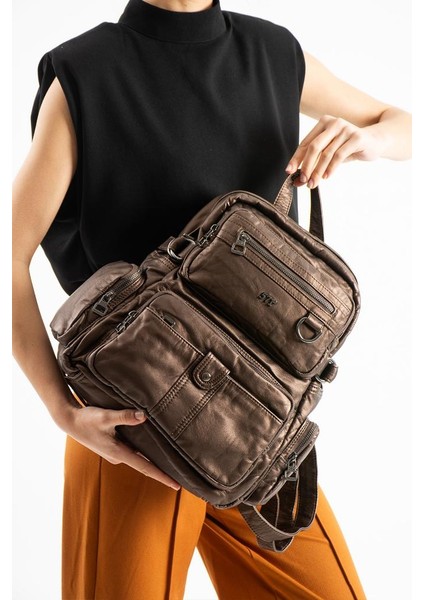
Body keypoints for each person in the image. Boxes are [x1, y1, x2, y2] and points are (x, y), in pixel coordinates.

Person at [12, 0, 411, 598]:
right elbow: (10, 253)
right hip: (130, 432)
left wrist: (364, 139)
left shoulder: (274, 53)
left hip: (257, 430)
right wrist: (60, 410)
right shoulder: (84, 74)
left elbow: (401, 124)